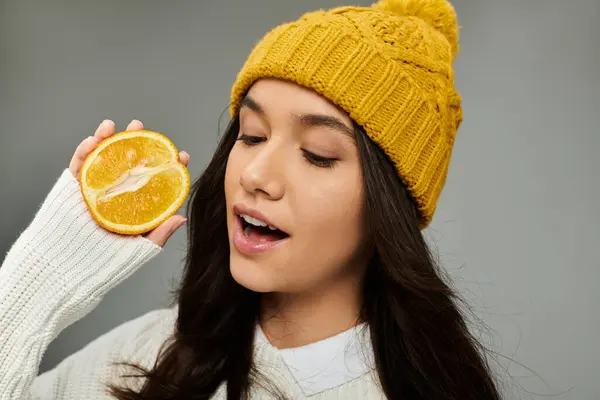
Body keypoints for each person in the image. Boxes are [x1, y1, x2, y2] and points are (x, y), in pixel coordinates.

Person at [0, 0, 502, 399]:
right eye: (252, 135)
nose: (257, 175)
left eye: (318, 154)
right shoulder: (153, 356)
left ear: (391, 209)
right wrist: (42, 277)